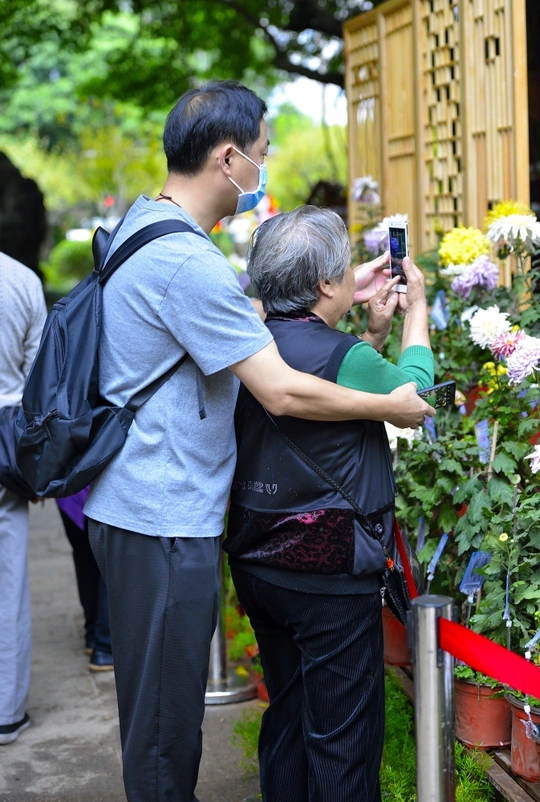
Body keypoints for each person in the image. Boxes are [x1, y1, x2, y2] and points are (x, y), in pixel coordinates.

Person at [84, 80, 434, 802]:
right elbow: (283, 389)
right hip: (160, 516)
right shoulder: (188, 261)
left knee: (202, 720)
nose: (263, 169)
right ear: (228, 158)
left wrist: (336, 289)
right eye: (262, 154)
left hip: (175, 518)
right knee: (165, 735)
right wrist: (393, 402)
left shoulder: (148, 228)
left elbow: (245, 321)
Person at [224, 205, 434, 802]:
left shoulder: (249, 345)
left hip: (257, 560)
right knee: (343, 739)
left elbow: (323, 388)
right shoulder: (346, 358)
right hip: (329, 569)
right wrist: (417, 310)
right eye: (343, 267)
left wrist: (371, 333)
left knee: (288, 715)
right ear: (323, 283)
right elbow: (417, 396)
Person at [0, 251, 47, 745]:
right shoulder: (19, 279)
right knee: (8, 577)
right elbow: (39, 377)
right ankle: (6, 711)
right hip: (4, 440)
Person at [55, 487, 113, 671]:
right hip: (104, 492)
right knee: (110, 565)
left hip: (70, 491)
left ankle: (93, 635)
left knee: (85, 561)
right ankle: (104, 646)